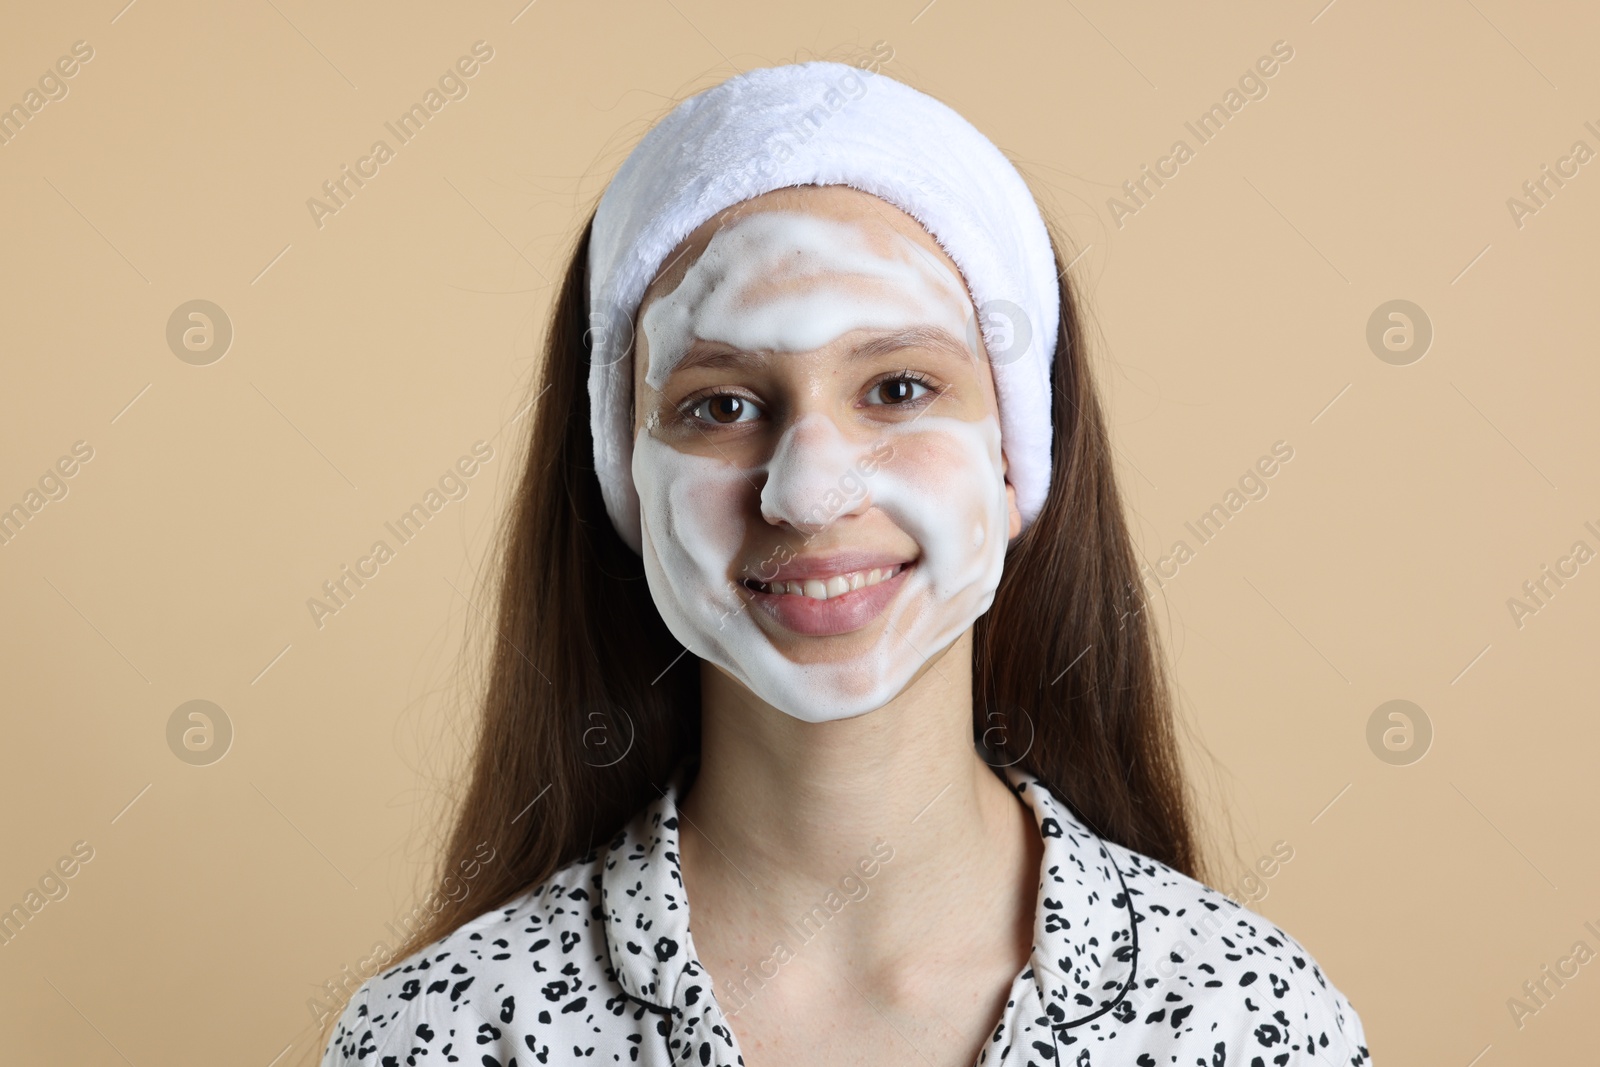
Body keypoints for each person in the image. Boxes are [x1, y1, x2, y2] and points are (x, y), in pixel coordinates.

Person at [318, 59, 1371, 1066]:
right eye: (721, 404)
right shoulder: (445, 1034)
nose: (808, 491)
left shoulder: (1244, 1015)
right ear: (625, 482)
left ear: (1017, 459)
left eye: (899, 388)